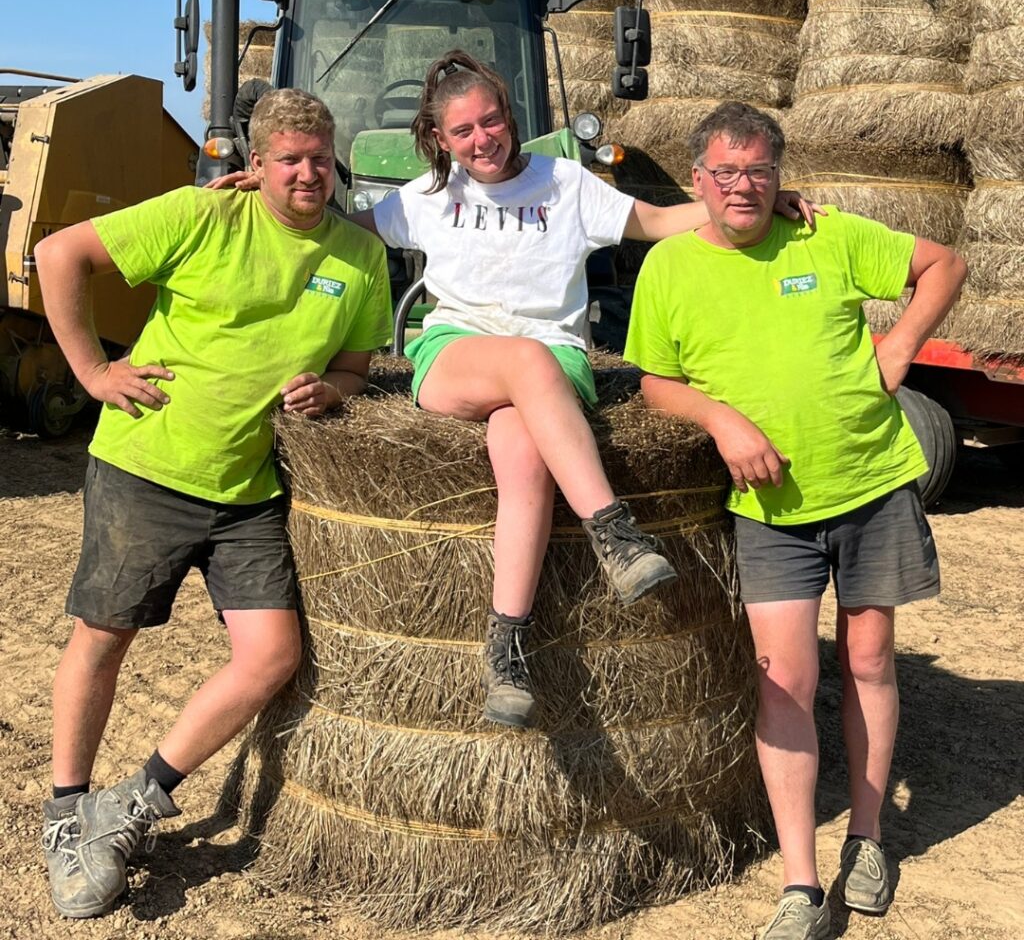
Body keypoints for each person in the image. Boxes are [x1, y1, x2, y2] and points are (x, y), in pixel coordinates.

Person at [217, 49, 818, 730]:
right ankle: (614, 533)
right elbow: (333, 226)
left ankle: (506, 644)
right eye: (464, 130)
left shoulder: (566, 182)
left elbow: (654, 223)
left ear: (512, 116)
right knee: (525, 361)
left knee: (522, 453)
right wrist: (261, 194)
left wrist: (752, 203)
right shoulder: (425, 198)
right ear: (440, 139)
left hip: (556, 364)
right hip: (455, 360)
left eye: (492, 121)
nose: (482, 139)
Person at [34, 88, 392, 919]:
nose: (308, 174)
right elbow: (59, 254)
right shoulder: (204, 217)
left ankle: (133, 804)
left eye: (319, 157)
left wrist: (331, 391)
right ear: (256, 164)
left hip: (252, 489)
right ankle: (64, 810)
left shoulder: (359, 255)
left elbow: (355, 367)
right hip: (148, 467)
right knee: (102, 637)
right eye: (290, 160)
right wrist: (92, 373)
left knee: (271, 656)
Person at [623, 101, 967, 940]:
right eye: (726, 173)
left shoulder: (828, 234)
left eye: (759, 172)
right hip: (768, 510)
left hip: (871, 482)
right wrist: (723, 421)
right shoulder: (669, 268)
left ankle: (870, 837)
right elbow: (653, 383)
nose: (743, 188)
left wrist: (902, 344)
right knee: (784, 679)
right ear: (698, 180)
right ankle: (800, 886)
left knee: (869, 658)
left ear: (781, 176)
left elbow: (944, 265)